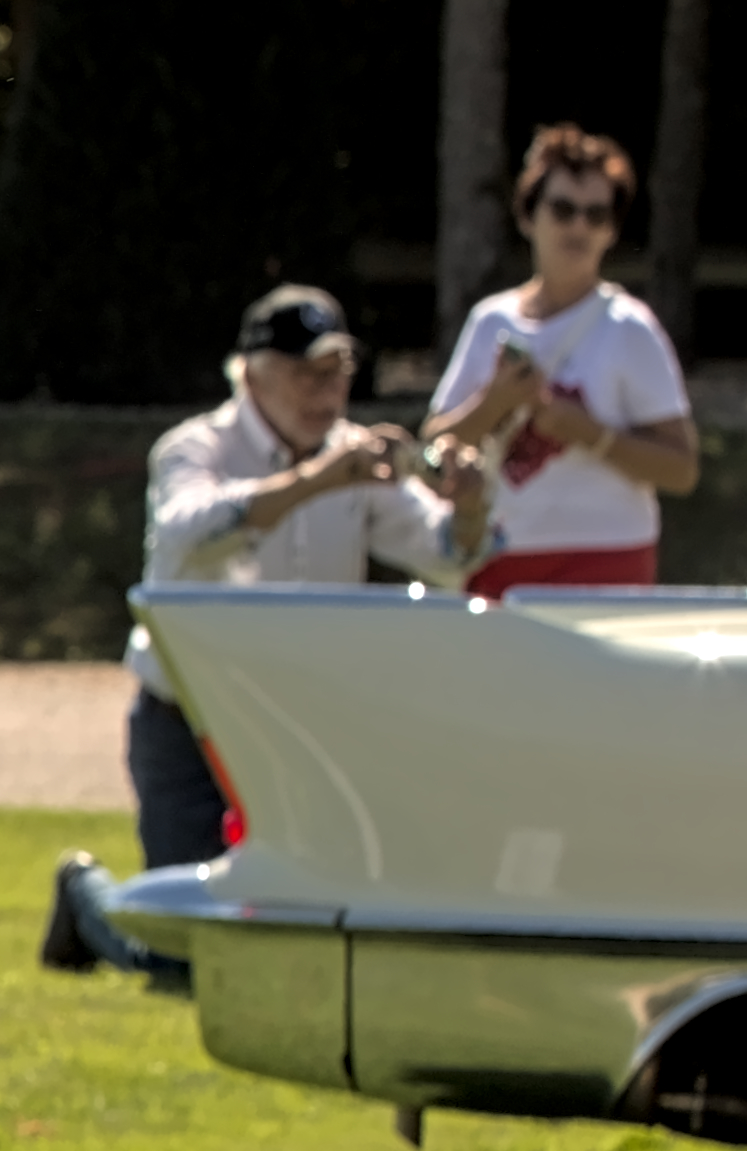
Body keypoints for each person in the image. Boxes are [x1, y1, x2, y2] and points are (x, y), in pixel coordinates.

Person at [49, 283, 478, 977]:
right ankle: (84, 895)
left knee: (303, 937)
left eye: (337, 372)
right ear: (251, 374)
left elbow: (448, 556)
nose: (326, 392)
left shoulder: (353, 455)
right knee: (178, 962)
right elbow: (190, 533)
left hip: (297, 727)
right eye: (306, 372)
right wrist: (316, 480)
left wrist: (470, 505)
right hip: (188, 722)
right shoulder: (194, 448)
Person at [423, 123, 700, 595]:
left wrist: (586, 433)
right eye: (563, 209)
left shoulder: (629, 328)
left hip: (609, 558)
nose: (578, 227)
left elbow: (682, 469)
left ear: (611, 232)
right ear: (529, 217)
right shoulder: (491, 321)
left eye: (596, 215)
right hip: (497, 553)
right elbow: (431, 453)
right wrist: (495, 402)